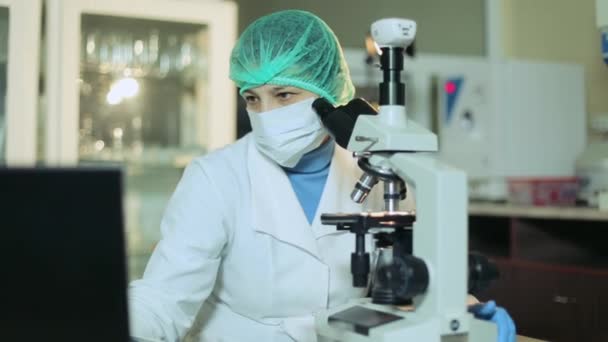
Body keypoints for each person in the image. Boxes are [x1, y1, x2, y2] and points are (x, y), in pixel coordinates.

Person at [128, 10, 515, 342]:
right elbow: (163, 299)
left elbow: (418, 276)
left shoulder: (378, 169)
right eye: (252, 98)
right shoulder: (215, 178)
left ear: (328, 95)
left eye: (284, 96)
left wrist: (465, 308)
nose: (266, 114)